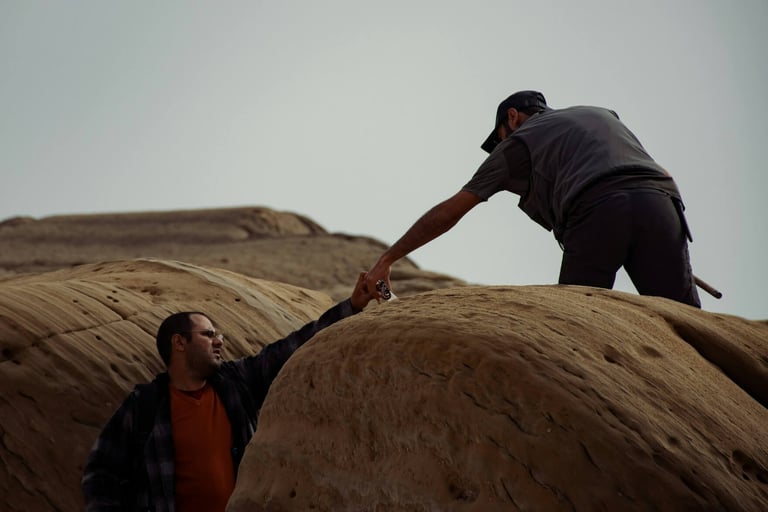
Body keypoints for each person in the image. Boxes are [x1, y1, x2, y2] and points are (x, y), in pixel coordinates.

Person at [366, 90, 701, 308]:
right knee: (688, 322)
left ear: (512, 117)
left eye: (498, 138)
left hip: (597, 209)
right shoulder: (600, 114)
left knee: (578, 323)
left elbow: (450, 211)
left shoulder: (518, 143)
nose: (500, 145)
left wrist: (389, 258)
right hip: (661, 203)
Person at [82, 272, 376, 512]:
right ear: (179, 343)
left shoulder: (237, 383)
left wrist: (351, 306)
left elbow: (292, 347)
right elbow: (100, 472)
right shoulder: (145, 404)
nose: (219, 341)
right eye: (209, 335)